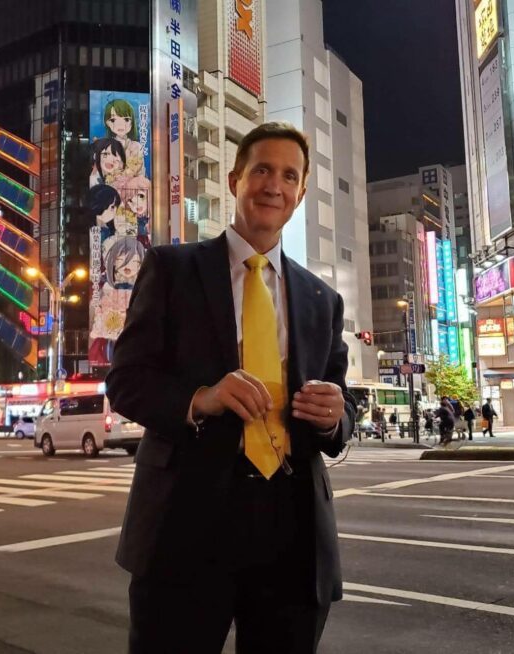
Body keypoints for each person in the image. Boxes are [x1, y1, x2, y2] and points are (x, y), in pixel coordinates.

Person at [105, 122, 355, 654]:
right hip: (186, 523)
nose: (274, 185)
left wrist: (336, 415)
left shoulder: (321, 300)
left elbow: (341, 408)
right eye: (262, 169)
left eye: (289, 175)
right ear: (237, 177)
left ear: (301, 193)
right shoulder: (173, 269)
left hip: (293, 529)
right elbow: (126, 381)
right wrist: (201, 398)